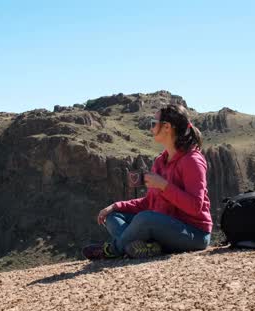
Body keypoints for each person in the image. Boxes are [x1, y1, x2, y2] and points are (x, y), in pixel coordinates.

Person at [82, 104, 213, 260]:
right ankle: (148, 247)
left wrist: (164, 186)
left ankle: (113, 249)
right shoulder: (160, 161)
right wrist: (115, 206)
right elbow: (149, 203)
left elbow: (195, 207)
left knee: (146, 219)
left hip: (194, 234)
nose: (150, 128)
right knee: (113, 217)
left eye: (153, 123)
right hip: (162, 228)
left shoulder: (192, 160)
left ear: (167, 127)